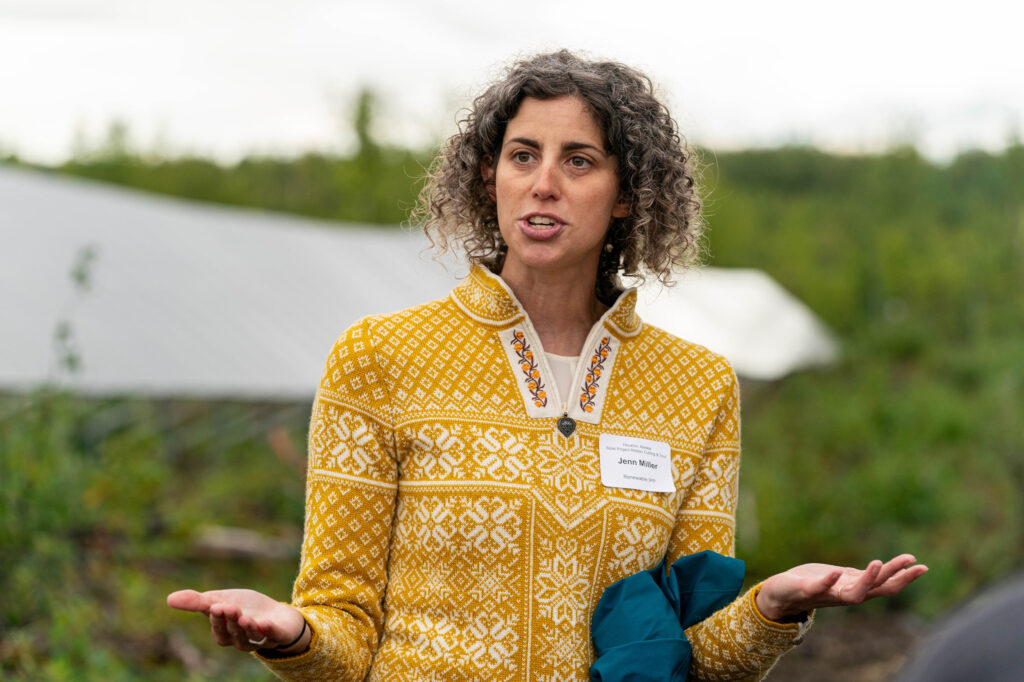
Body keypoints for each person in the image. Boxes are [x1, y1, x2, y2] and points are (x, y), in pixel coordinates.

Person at [167, 50, 927, 680]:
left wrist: (773, 607)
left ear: (628, 195)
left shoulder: (698, 385)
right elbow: (345, 629)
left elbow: (686, 654)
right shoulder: (378, 357)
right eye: (522, 155)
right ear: (487, 178)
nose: (544, 183)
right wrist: (291, 632)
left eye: (579, 160)